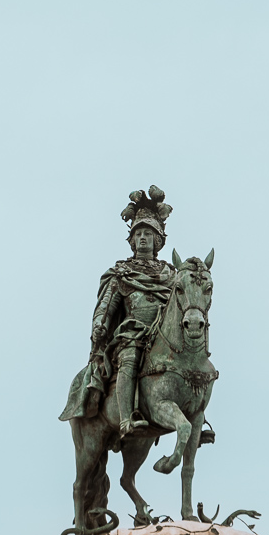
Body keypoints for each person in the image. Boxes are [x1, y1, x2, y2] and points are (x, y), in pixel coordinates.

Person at [59, 186, 175, 435]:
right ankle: (126, 419)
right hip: (132, 333)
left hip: (163, 335)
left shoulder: (172, 276)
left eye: (148, 233)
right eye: (139, 233)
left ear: (158, 240)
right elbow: (106, 305)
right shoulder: (121, 273)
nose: (143, 237)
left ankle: (197, 415)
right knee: (130, 356)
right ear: (133, 240)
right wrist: (100, 324)